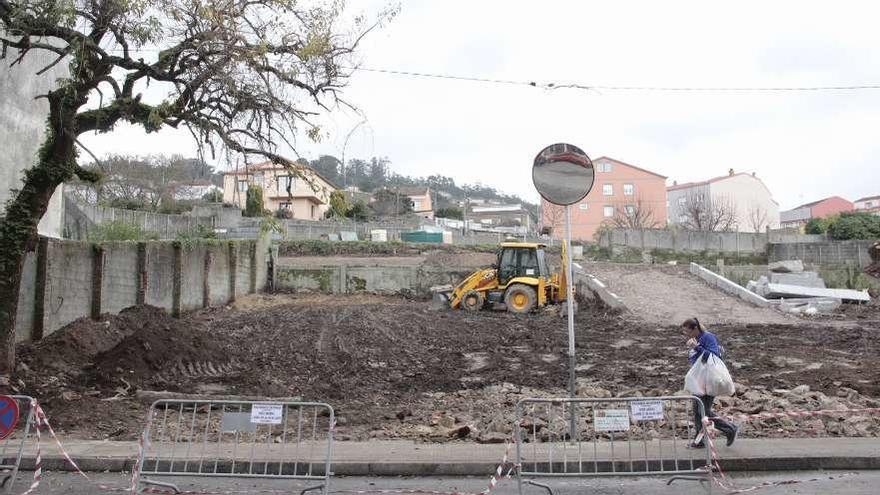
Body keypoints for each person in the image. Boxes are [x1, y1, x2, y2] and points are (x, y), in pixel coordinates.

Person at [682, 317, 738, 448]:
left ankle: (729, 429)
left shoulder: (708, 337)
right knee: (698, 410)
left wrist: (697, 347)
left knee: (703, 411)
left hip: (709, 379)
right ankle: (700, 440)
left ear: (695, 329)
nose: (686, 335)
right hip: (699, 379)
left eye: (687, 331)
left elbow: (714, 355)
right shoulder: (697, 339)